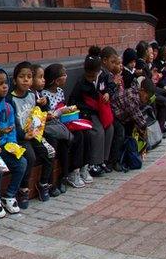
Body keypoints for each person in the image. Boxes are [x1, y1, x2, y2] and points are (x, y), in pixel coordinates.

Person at [10, 61, 54, 203]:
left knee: (50, 151)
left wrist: (43, 103)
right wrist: (23, 135)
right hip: (21, 137)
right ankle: (23, 189)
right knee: (30, 156)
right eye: (22, 77)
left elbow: (39, 114)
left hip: (34, 133)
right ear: (15, 80)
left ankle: (43, 184)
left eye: (29, 76)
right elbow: (13, 122)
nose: (26, 80)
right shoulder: (11, 98)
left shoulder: (32, 95)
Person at [68, 47, 114, 178]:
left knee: (110, 128)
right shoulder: (81, 83)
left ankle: (104, 159)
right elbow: (73, 100)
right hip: (88, 112)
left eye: (92, 76)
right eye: (88, 75)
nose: (90, 78)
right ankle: (95, 162)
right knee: (98, 131)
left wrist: (107, 93)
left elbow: (110, 87)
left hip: (101, 110)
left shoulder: (104, 76)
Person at [41, 63, 87, 190]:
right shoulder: (44, 95)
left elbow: (63, 107)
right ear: (56, 80)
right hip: (52, 126)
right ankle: (63, 177)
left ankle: (76, 170)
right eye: (64, 75)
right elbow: (48, 114)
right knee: (63, 143)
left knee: (80, 135)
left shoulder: (60, 91)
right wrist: (61, 112)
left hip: (64, 123)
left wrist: (68, 111)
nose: (66, 77)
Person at [0, 69, 26, 217]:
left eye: (6, 83)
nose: (5, 87)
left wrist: (13, 145)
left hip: (5, 146)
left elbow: (13, 130)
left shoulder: (8, 107)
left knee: (22, 163)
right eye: (0, 83)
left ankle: (9, 195)